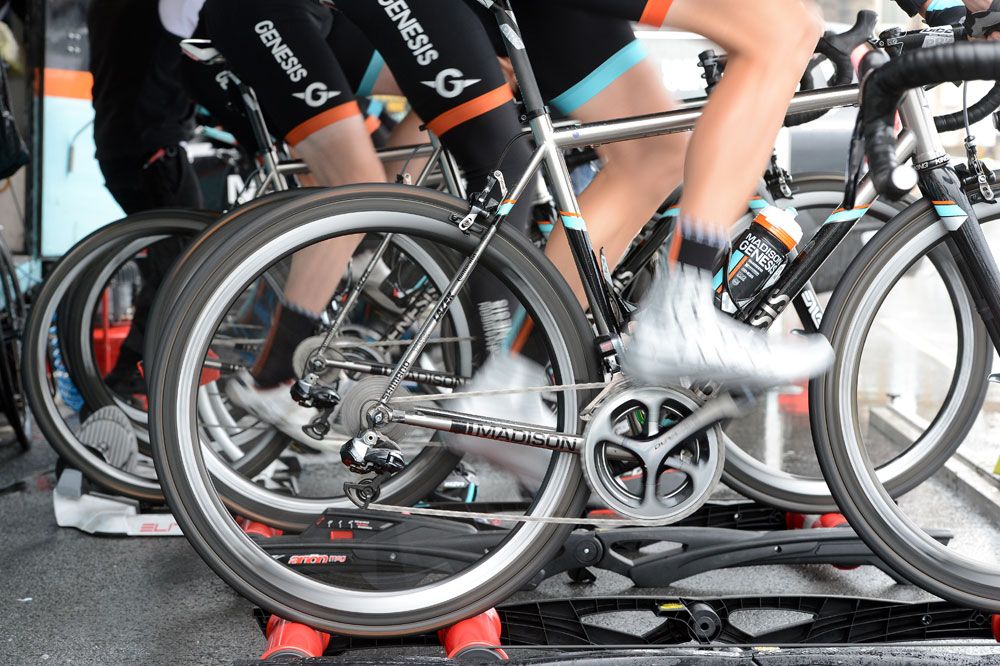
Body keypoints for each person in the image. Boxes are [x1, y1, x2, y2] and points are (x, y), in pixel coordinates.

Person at [158, 0, 539, 447]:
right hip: (257, 12)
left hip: (313, 14)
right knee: (354, 183)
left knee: (442, 96)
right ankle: (272, 379)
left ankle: (369, 244)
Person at [88, 0, 204, 395]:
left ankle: (141, 380)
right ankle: (131, 380)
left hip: (119, 146)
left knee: (173, 263)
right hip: (152, 149)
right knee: (190, 263)